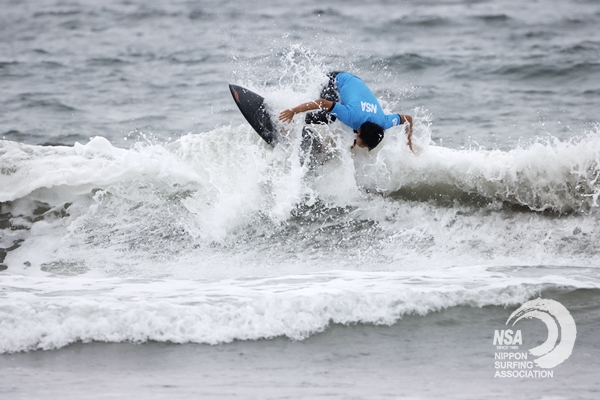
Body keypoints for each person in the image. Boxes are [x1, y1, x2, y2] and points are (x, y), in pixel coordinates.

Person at [278, 71, 413, 153]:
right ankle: (287, 122)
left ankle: (321, 144)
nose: (362, 147)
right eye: (363, 144)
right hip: (335, 80)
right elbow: (322, 102)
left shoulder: (383, 122)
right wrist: (293, 111)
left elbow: (408, 119)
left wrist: (408, 143)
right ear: (359, 131)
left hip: (354, 82)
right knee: (327, 117)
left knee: (339, 120)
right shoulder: (351, 116)